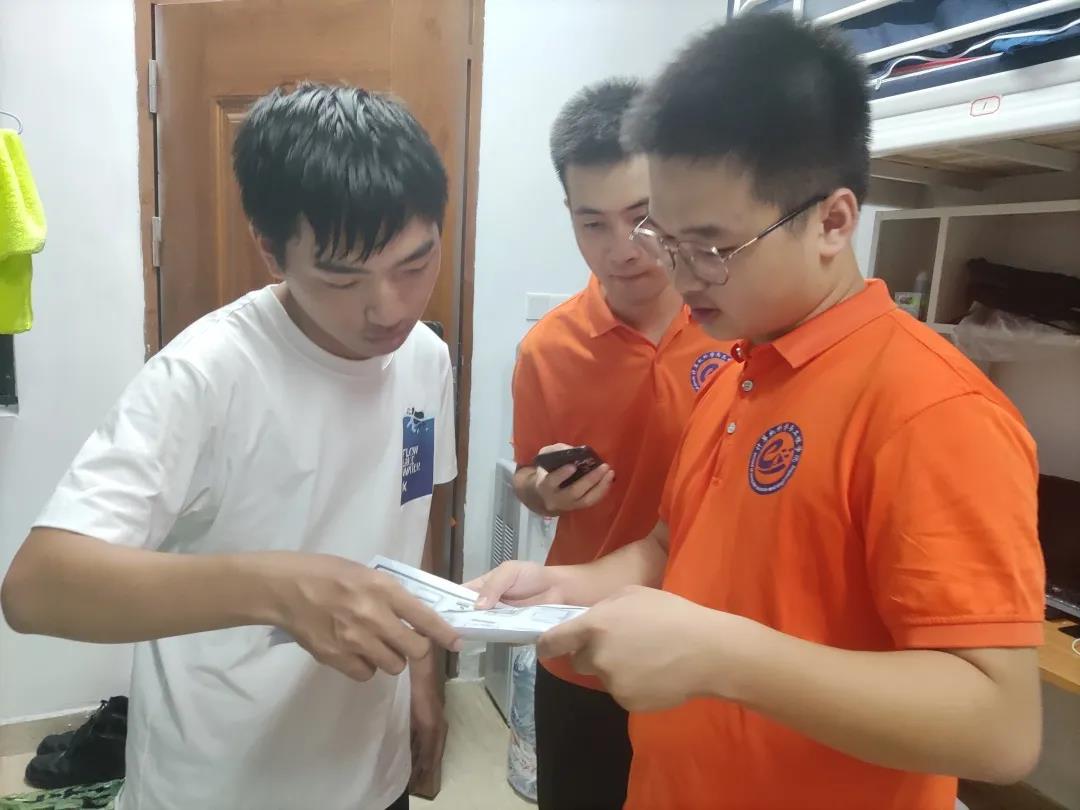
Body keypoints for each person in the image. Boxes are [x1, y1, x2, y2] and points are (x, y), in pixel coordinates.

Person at [471, 15, 1045, 810]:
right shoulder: (739, 372)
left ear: (833, 222)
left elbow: (1000, 728)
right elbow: (671, 548)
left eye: (712, 247)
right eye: (668, 240)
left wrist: (720, 657)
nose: (681, 276)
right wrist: (563, 583)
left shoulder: (930, 409)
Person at [1, 84, 463, 810]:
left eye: (414, 265)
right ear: (271, 251)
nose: (390, 308)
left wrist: (424, 680)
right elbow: (37, 588)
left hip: (368, 775)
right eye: (342, 278)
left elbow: (411, 517)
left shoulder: (426, 357)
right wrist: (280, 590)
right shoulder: (206, 376)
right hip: (218, 783)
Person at [508, 78, 732, 810]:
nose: (621, 251)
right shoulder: (548, 349)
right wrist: (541, 492)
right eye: (592, 224)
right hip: (584, 649)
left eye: (641, 218)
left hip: (712, 647)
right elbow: (525, 474)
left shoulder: (738, 326)